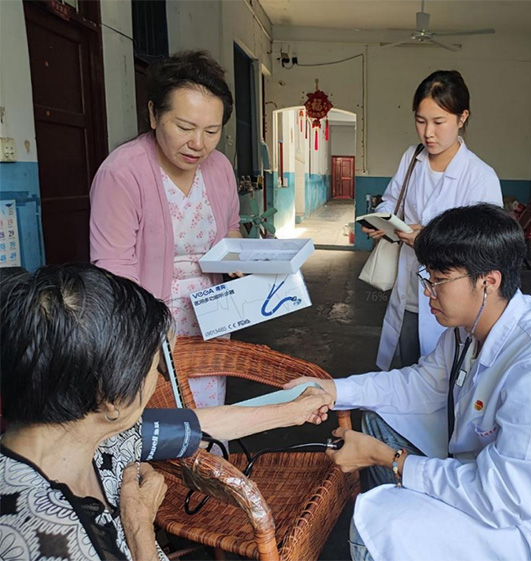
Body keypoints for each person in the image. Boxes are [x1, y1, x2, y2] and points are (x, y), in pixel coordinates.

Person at [289, 204, 531, 561]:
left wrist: (390, 459)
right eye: (428, 277)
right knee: (378, 422)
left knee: (377, 527)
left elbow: (505, 498)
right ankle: (411, 519)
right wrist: (334, 390)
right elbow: (420, 385)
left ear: (488, 281)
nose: (427, 291)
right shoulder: (469, 330)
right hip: (499, 472)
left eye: (439, 280)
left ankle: (406, 528)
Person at [0, 264, 333, 561]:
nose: (159, 376)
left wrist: (292, 411)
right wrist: (140, 529)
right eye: (153, 365)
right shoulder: (43, 539)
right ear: (111, 397)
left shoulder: (87, 430)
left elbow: (192, 427)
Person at [90, 51, 241, 409]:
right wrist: (150, 338)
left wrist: (244, 259)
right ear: (153, 114)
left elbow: (231, 229)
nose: (199, 144)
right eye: (185, 128)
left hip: (210, 319)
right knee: (160, 421)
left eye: (212, 131)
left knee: (206, 416)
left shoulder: (219, 168)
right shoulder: (122, 173)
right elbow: (113, 270)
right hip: (146, 324)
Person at [363, 70, 503, 371]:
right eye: (420, 120)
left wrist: (430, 239)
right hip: (410, 293)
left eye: (439, 122)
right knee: (409, 369)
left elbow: (489, 247)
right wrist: (383, 221)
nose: (428, 133)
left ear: (462, 117)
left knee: (447, 377)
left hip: (456, 300)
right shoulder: (411, 158)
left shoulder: (480, 177)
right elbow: (392, 199)